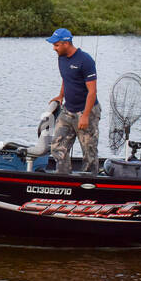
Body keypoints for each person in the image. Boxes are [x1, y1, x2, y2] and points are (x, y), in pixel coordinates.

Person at [45, 28, 99, 174]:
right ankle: (63, 176)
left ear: (66, 43)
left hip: (86, 111)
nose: (54, 48)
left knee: (89, 151)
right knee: (57, 146)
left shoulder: (85, 60)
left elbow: (92, 91)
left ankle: (89, 181)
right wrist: (60, 95)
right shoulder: (61, 58)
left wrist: (86, 115)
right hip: (68, 110)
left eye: (56, 45)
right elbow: (66, 77)